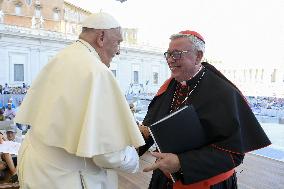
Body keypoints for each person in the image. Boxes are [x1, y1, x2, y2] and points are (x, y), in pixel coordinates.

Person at [14, 12, 145, 189]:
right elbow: (107, 154)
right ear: (101, 37)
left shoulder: (62, 56)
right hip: (63, 178)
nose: (119, 50)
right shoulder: (97, 71)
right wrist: (133, 158)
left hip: (37, 165)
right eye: (118, 42)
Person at [138, 30, 271, 189]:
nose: (169, 60)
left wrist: (182, 163)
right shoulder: (169, 87)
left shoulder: (224, 93)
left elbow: (233, 155)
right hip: (165, 178)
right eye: (168, 54)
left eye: (177, 54)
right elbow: (150, 129)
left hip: (207, 184)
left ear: (198, 56)